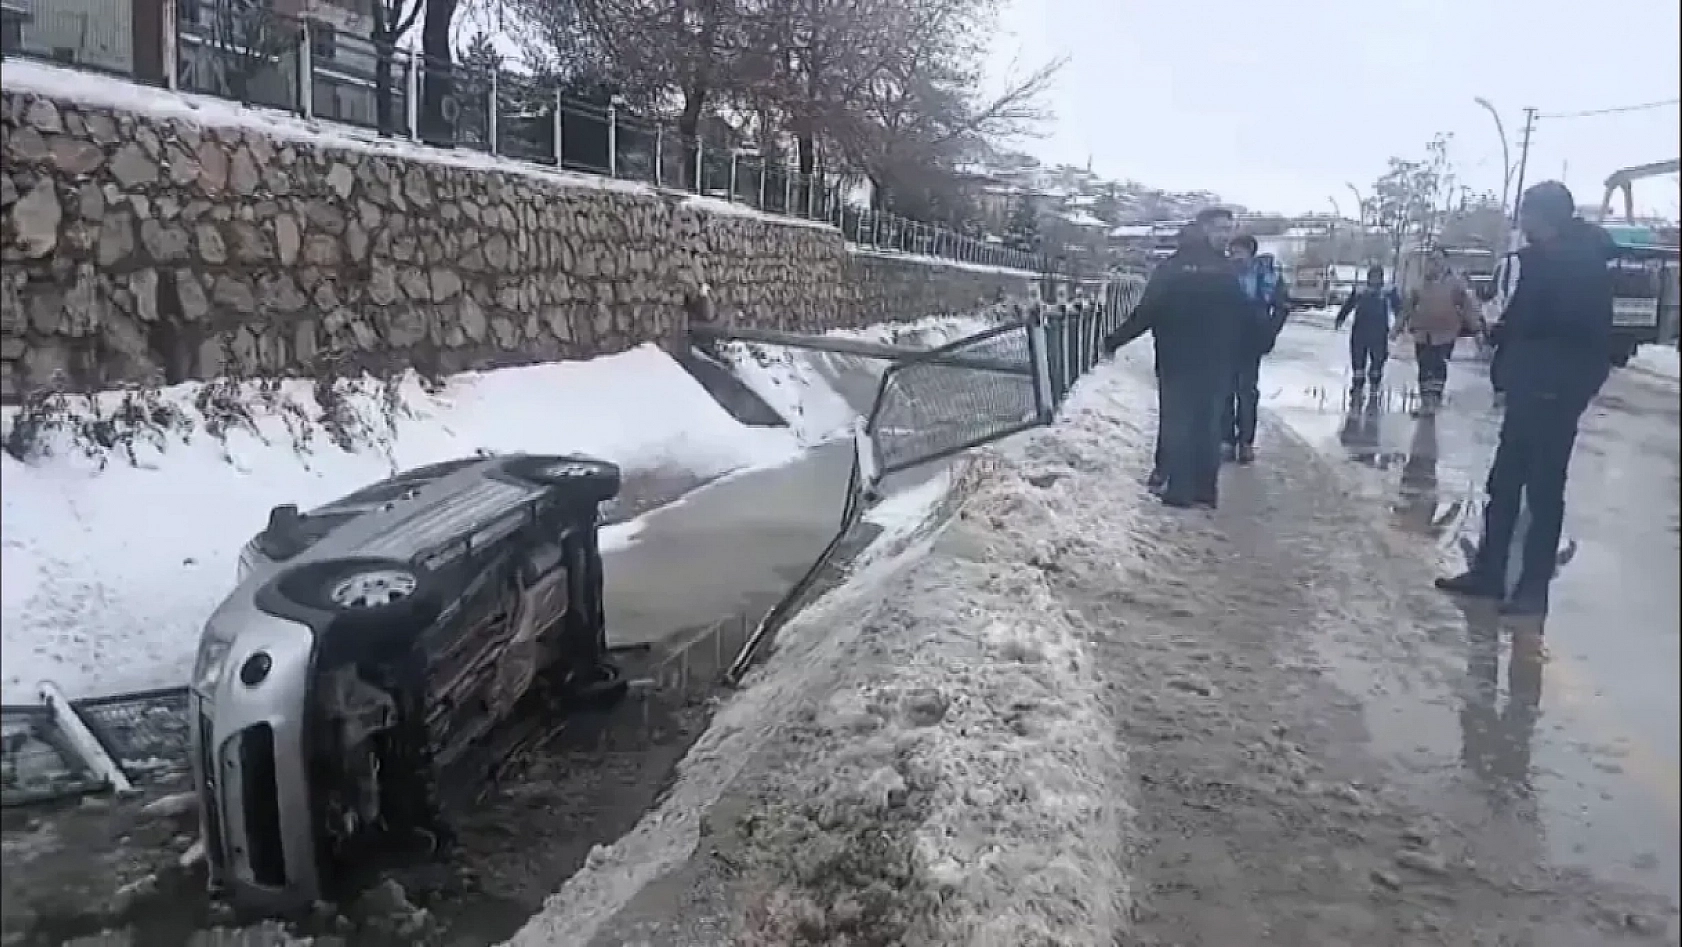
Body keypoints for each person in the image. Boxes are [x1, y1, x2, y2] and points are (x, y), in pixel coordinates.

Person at [1436, 181, 1615, 615]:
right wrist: (1493, 335)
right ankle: (1490, 573)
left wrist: (1565, 388)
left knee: (1543, 492)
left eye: (1527, 213)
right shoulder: (1539, 262)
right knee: (1504, 484)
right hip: (1526, 387)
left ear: (1547, 217)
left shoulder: (1581, 267)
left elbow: (1587, 339)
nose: (1521, 222)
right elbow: (1521, 321)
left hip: (1554, 392)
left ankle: (1532, 590)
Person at [1105, 208, 1249, 509]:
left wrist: (1115, 339)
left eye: (1228, 229)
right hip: (1204, 362)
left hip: (1181, 361)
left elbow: (1147, 312)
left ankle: (1184, 490)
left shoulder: (1176, 267)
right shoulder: (1221, 270)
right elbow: (1244, 315)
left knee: (1186, 422)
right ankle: (1202, 492)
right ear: (1204, 229)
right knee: (1203, 422)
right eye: (1220, 229)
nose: (1225, 236)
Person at [1221, 236, 1290, 464]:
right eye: (1232, 251)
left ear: (1250, 253)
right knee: (1224, 390)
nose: (1235, 256)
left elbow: (1281, 307)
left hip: (1251, 341)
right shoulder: (1222, 273)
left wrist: (1270, 333)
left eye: (1239, 251)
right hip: (1224, 339)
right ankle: (1227, 440)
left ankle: (1246, 441)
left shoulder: (1266, 277)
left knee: (1247, 391)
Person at [1393, 248, 1482, 416]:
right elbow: (1407, 308)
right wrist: (1396, 328)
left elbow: (1468, 306)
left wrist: (1476, 328)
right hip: (1422, 332)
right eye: (1432, 260)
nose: (1435, 264)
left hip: (1445, 333)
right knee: (1424, 365)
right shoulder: (1420, 284)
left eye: (1438, 260)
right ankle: (1426, 402)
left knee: (1438, 365)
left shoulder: (1455, 284)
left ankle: (1434, 400)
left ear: (1445, 262)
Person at [1335, 265, 1403, 394]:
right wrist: (1340, 318)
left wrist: (1399, 326)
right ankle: (1357, 386)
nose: (1375, 279)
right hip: (1360, 331)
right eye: (1372, 276)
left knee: (1378, 360)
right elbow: (1348, 305)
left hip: (1379, 332)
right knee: (1358, 359)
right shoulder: (1361, 290)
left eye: (1377, 276)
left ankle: (1374, 385)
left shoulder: (1387, 291)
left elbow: (1398, 309)